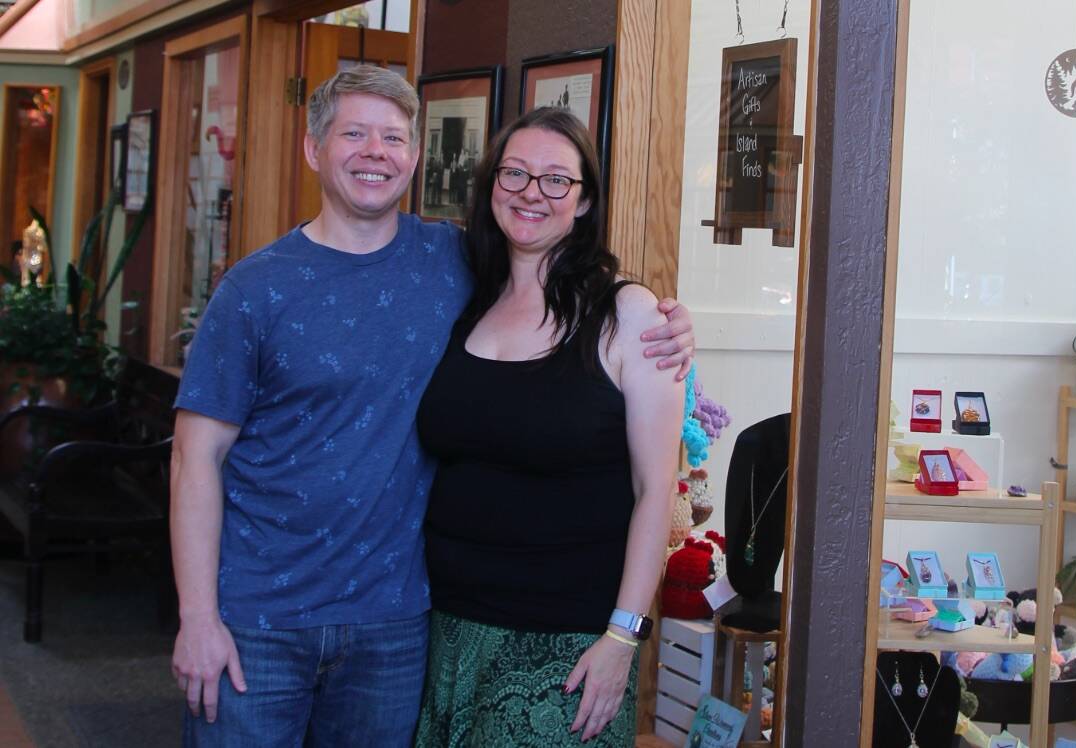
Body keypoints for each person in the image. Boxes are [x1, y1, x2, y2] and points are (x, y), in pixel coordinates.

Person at [169, 66, 693, 747]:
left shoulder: (452, 263)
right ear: (313, 149)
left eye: (392, 137)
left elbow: (587, 322)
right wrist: (198, 616)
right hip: (261, 620)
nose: (374, 152)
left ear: (415, 158)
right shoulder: (254, 290)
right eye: (353, 133)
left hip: (396, 623)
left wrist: (671, 321)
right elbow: (192, 460)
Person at [413, 107, 684, 747]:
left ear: (585, 201)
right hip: (448, 626)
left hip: (567, 640)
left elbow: (657, 490)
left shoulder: (630, 314)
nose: (532, 192)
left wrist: (624, 636)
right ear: (492, 188)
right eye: (515, 174)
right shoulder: (467, 296)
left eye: (557, 180)